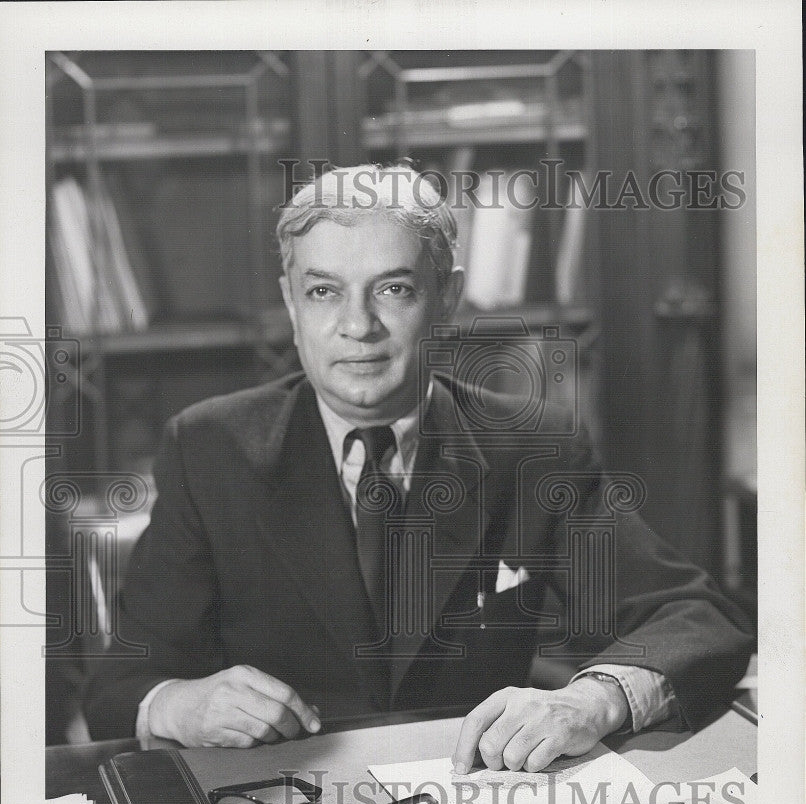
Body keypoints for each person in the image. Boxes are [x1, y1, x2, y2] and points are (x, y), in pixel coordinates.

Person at [83, 164, 754, 773]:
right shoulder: (209, 448)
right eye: (323, 292)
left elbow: (695, 619)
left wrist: (592, 701)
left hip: (473, 801)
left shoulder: (532, 446)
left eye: (394, 289)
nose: (358, 326)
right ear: (291, 307)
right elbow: (118, 688)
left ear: (447, 299)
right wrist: (179, 704)